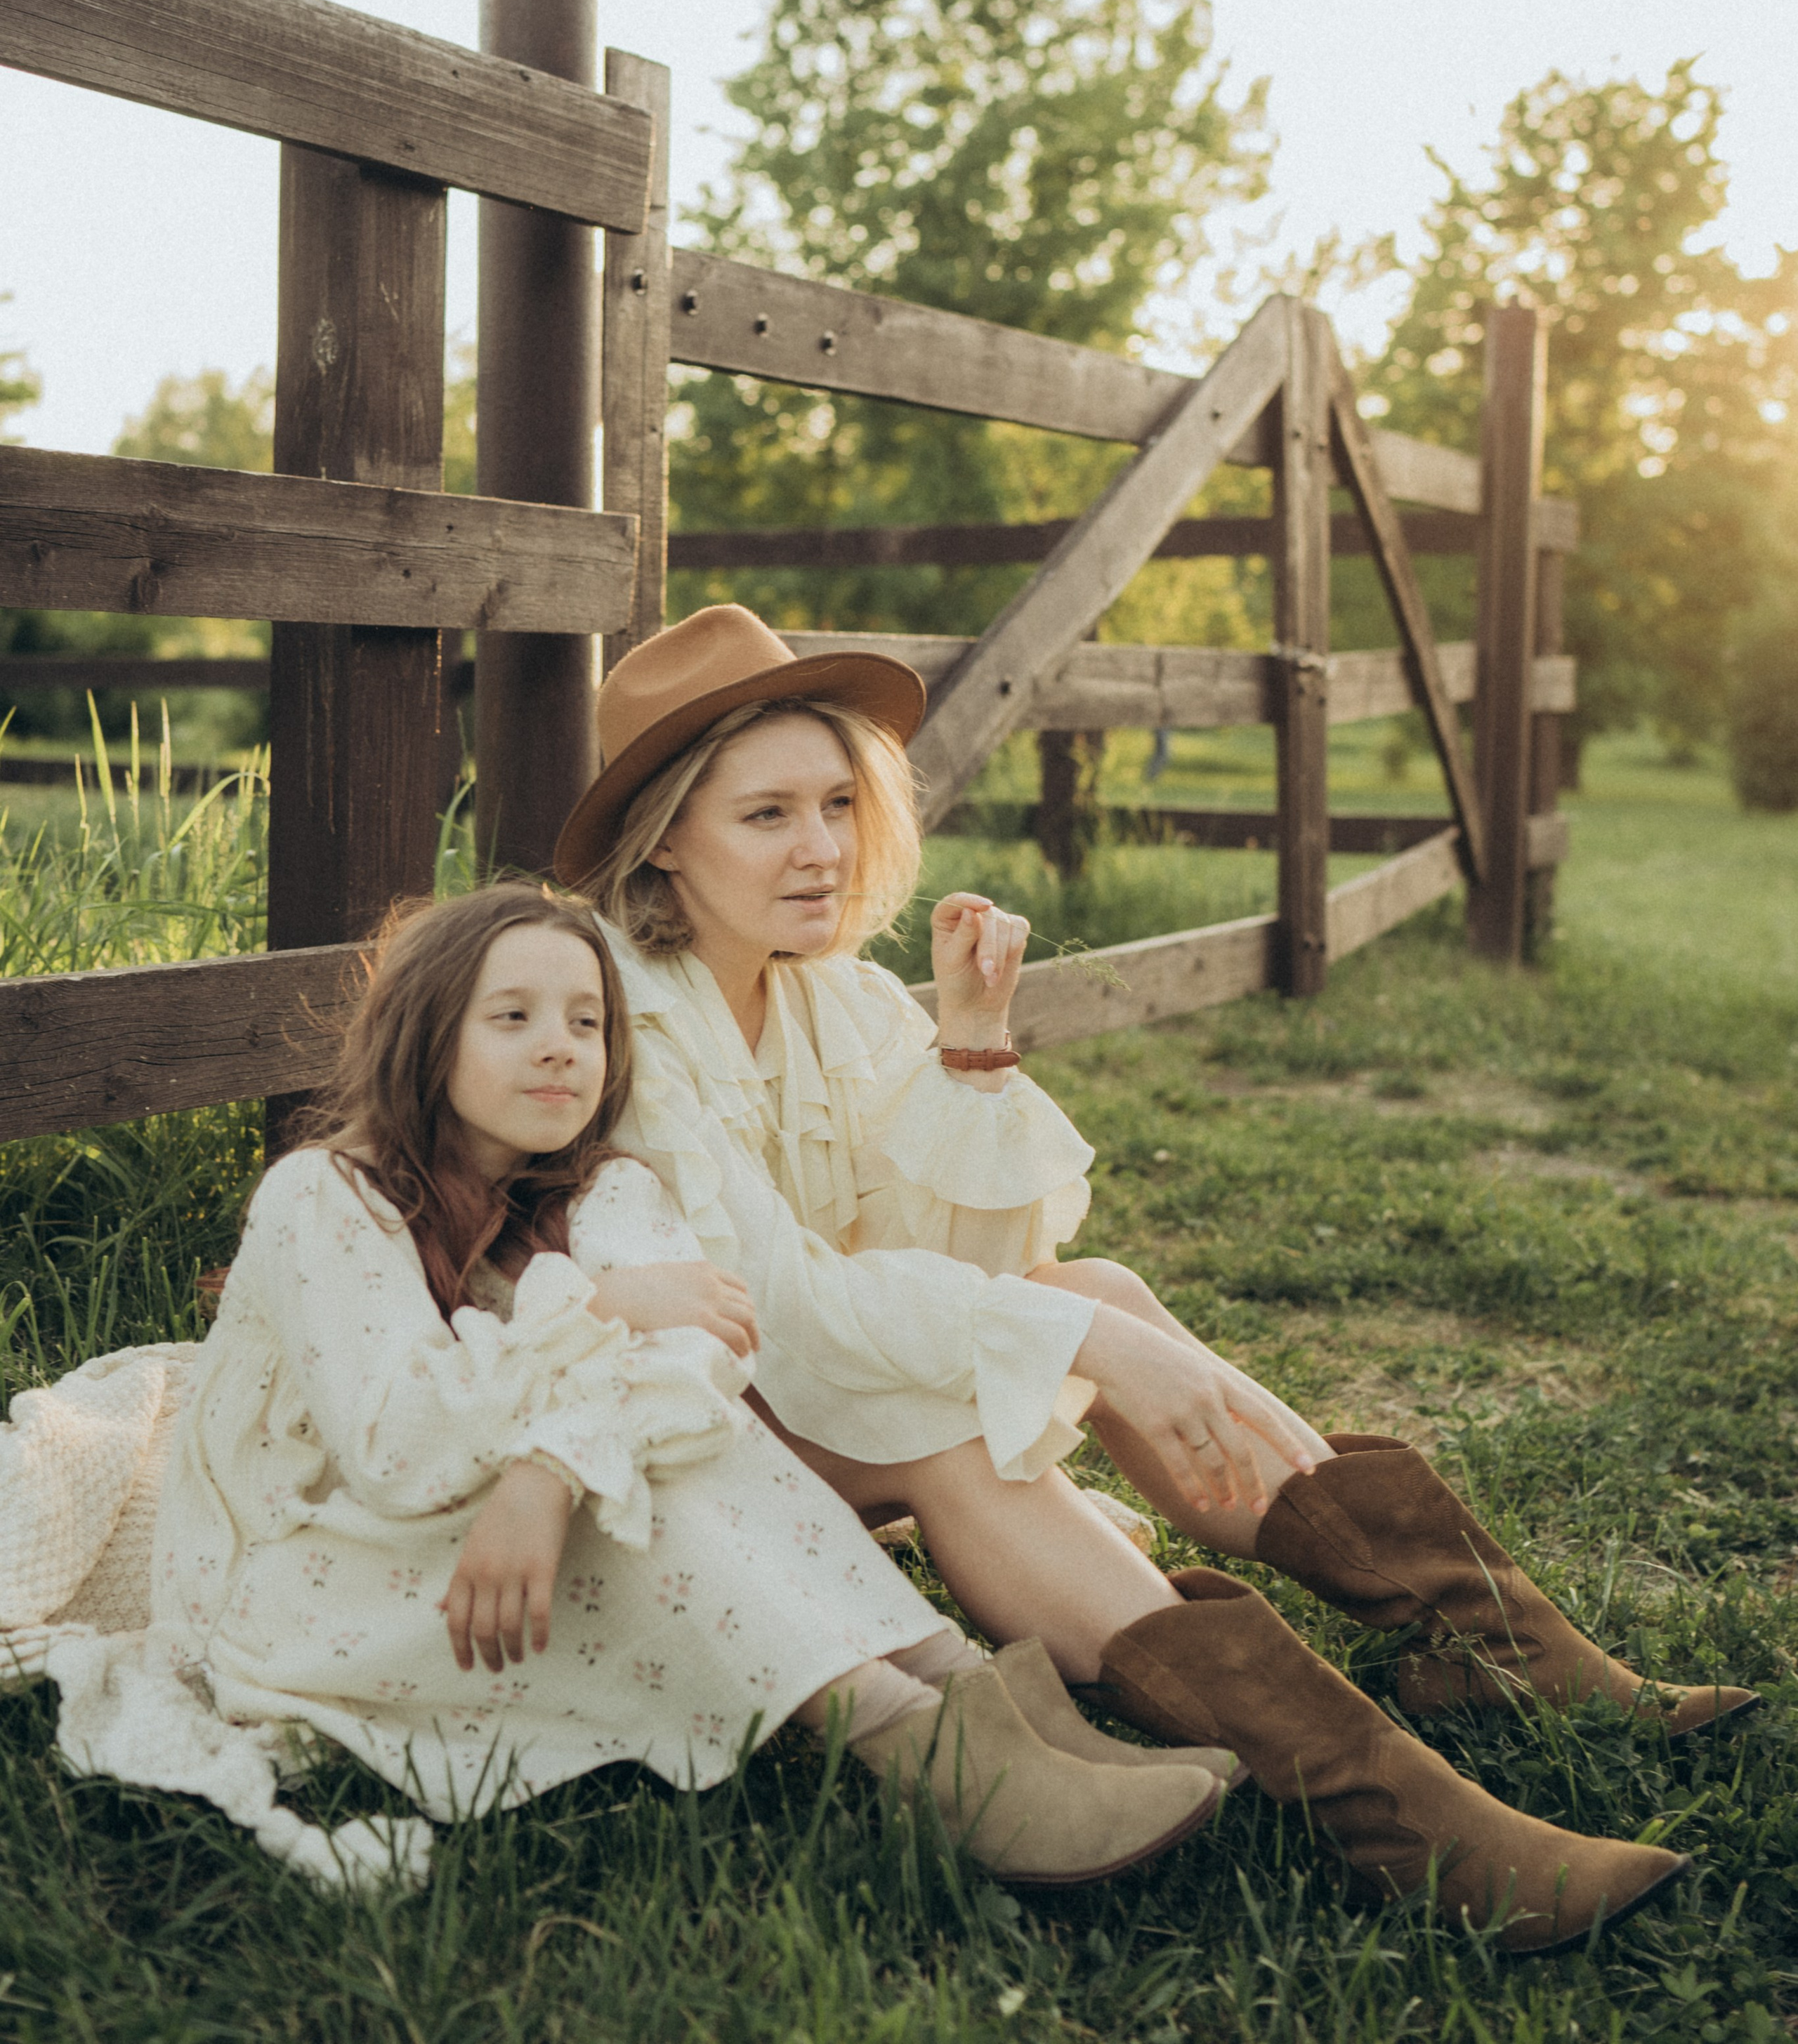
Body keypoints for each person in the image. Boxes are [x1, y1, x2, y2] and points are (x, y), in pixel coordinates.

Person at [545, 604, 1745, 1953]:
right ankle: (1403, 1818)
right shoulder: (621, 1024)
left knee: (1096, 1284)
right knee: (973, 1423)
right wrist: (1093, 1347)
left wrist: (976, 1048)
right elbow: (794, 1322)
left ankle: (1479, 1635)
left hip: (809, 1398)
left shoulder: (839, 1000)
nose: (822, 848)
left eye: (836, 801)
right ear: (664, 839)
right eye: (766, 817)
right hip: (693, 1439)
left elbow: (964, 1269)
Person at [142, 882, 1231, 1887]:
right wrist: (603, 1318)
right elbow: (396, 1443)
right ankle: (916, 1746)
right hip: (319, 1567)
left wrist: (548, 1464)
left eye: (586, 1021)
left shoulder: (605, 1185)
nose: (560, 1049)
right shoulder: (327, 1198)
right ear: (427, 1039)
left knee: (692, 1439)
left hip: (489, 1524)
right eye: (511, 1018)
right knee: (656, 1490)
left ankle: (978, 1710)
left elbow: (705, 1357)